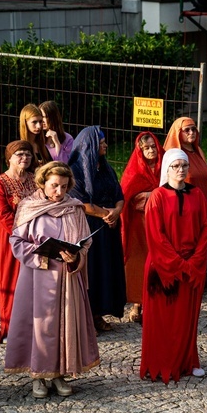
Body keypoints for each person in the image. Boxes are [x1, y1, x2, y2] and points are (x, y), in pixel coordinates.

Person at [5, 162, 100, 398]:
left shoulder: (74, 208)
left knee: (63, 324)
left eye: (64, 187)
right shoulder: (29, 207)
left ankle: (59, 373)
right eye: (54, 186)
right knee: (41, 326)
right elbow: (17, 242)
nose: (59, 192)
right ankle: (38, 374)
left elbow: (85, 241)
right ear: (43, 183)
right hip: (37, 277)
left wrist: (76, 255)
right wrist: (41, 254)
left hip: (67, 277)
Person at [139, 149, 207, 383]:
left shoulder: (197, 194)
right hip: (163, 266)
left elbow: (205, 228)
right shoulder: (157, 197)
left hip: (192, 264)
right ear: (166, 169)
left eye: (184, 166)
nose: (181, 170)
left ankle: (188, 362)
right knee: (162, 319)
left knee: (186, 318)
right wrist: (178, 263)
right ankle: (161, 363)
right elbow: (156, 236)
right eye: (175, 166)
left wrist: (195, 261)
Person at [68, 126, 126, 332]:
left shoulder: (105, 167)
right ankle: (87, 316)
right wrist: (106, 214)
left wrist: (117, 211)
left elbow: (119, 193)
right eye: (102, 143)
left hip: (108, 227)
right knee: (92, 270)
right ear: (91, 146)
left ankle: (99, 312)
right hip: (89, 226)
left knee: (106, 269)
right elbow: (80, 202)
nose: (106, 146)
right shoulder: (75, 169)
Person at [0, 141, 37, 344]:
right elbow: (3, 214)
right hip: (10, 240)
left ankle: (32, 325)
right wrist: (23, 234)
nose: (24, 158)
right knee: (10, 281)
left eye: (27, 154)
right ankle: (10, 325)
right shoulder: (0, 183)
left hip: (35, 236)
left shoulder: (35, 180)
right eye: (19, 154)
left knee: (33, 282)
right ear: (9, 157)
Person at [120, 132, 162, 324]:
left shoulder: (165, 166)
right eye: (147, 148)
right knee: (138, 263)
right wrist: (151, 197)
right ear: (140, 151)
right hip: (139, 225)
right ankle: (137, 303)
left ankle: (157, 302)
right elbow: (126, 197)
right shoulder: (134, 171)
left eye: (154, 146)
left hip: (161, 224)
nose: (152, 150)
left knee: (159, 262)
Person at [163, 117, 207, 219]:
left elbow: (206, 182)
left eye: (194, 129)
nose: (191, 132)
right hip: (184, 208)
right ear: (178, 133)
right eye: (187, 130)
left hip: (202, 206)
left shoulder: (198, 150)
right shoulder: (174, 155)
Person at [19, 103, 53, 169]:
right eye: (34, 122)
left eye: (40, 121)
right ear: (25, 123)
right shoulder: (20, 147)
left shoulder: (42, 146)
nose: (39, 126)